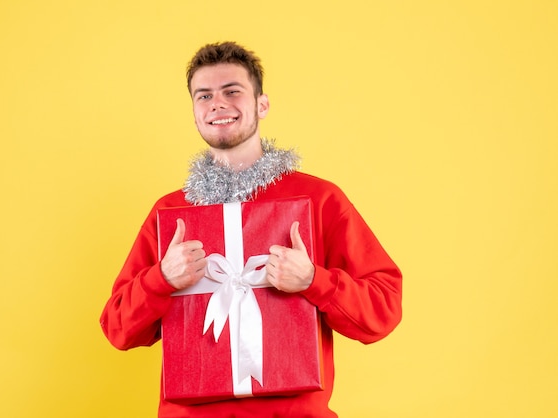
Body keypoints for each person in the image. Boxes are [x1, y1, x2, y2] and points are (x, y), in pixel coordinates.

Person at [100, 41, 403, 418]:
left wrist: (314, 281)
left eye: (232, 91)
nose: (217, 104)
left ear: (261, 104)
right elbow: (118, 329)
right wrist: (159, 279)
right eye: (204, 95)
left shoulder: (319, 199)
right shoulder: (170, 212)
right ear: (194, 111)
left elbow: (384, 310)